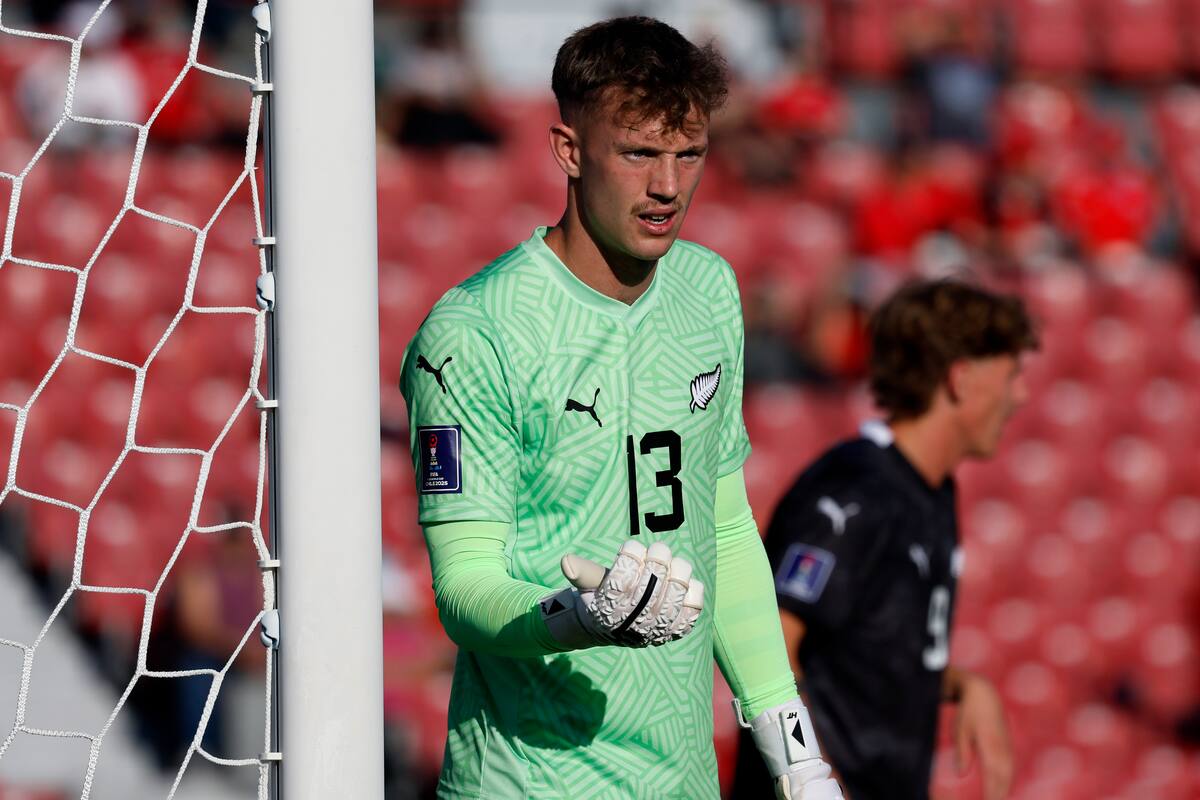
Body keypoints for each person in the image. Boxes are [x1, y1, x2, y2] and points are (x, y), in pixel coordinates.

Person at [399, 16, 843, 800]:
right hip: (529, 782)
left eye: (689, 154)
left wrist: (793, 749)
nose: (668, 186)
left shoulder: (707, 291)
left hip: (681, 780)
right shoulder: (476, 331)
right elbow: (463, 589)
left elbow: (723, 527)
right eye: (639, 153)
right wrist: (574, 616)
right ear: (569, 150)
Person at [731, 280, 1038, 800]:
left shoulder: (930, 492)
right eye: (1010, 375)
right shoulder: (853, 493)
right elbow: (770, 650)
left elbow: (869, 656)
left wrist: (964, 685)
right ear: (961, 379)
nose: (1021, 395)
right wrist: (814, 780)